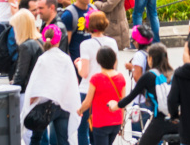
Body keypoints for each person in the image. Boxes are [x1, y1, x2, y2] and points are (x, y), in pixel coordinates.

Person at [24, 25, 82, 145]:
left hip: (43, 106)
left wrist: (31, 100)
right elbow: (71, 82)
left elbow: (36, 82)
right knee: (63, 140)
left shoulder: (42, 59)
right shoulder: (66, 58)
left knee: (36, 138)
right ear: (60, 40)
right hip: (62, 105)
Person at [114, 43, 176, 145]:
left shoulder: (149, 76)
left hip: (160, 120)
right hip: (178, 122)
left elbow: (131, 96)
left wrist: (116, 106)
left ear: (150, 59)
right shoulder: (174, 73)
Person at [76, 12, 119, 145]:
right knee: (99, 128)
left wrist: (78, 64)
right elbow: (115, 67)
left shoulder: (85, 44)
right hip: (106, 90)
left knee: (82, 129)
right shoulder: (112, 42)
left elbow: (84, 73)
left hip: (86, 90)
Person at [77, 47, 126, 145]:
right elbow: (123, 103)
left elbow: (87, 102)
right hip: (116, 122)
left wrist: (80, 110)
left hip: (101, 122)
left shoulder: (96, 78)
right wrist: (122, 123)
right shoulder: (121, 77)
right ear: (114, 60)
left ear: (99, 61)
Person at [12, 10, 44, 93]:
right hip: (41, 88)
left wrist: (12, 91)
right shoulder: (40, 40)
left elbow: (21, 74)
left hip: (29, 90)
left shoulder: (26, 46)